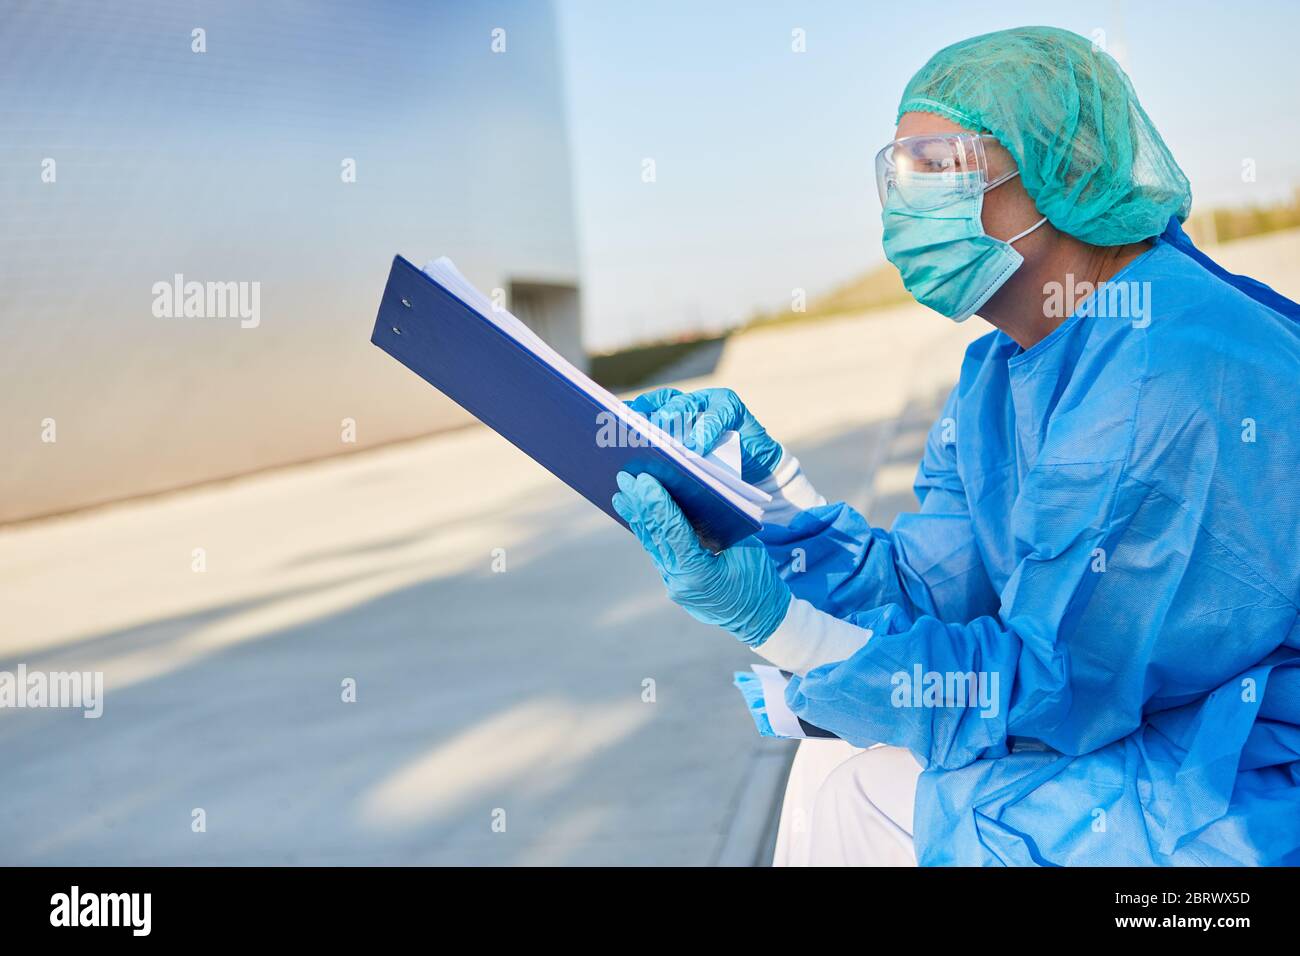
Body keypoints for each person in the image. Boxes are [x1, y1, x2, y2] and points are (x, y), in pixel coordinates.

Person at [611, 25, 1300, 866]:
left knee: (860, 797)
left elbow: (1050, 687)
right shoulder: (1002, 373)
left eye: (938, 166)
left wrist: (784, 627)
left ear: (1062, 172)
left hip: (1242, 785)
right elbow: (933, 590)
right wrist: (763, 501)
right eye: (895, 174)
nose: (904, 205)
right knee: (838, 765)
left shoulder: (1165, 361)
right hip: (1162, 734)